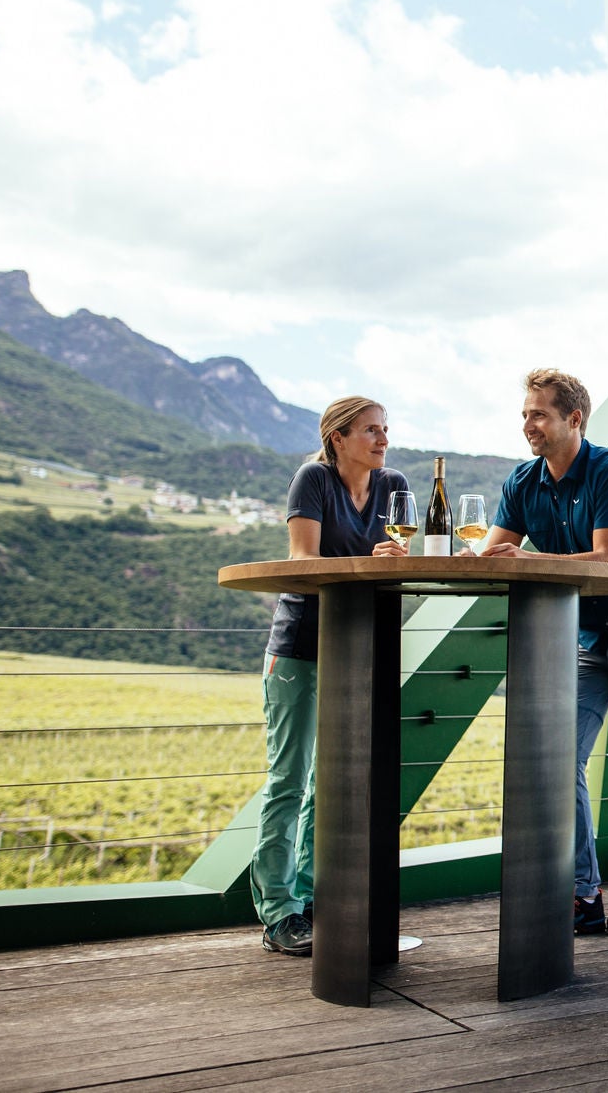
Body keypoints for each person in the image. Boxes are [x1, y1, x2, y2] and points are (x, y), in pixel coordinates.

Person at [477, 368, 608, 935]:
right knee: (562, 759)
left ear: (574, 419)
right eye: (524, 414)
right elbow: (495, 554)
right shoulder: (521, 482)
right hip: (588, 639)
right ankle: (583, 892)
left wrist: (527, 561)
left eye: (538, 414)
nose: (528, 425)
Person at [251, 396, 410, 956]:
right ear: (338, 437)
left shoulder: (393, 485)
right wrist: (373, 558)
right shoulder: (312, 479)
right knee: (289, 781)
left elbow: (403, 558)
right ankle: (278, 913)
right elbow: (304, 563)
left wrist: (397, 560)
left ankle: (316, 896)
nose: (383, 439)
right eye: (371, 430)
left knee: (333, 785)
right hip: (299, 648)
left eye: (385, 429)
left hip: (355, 650)